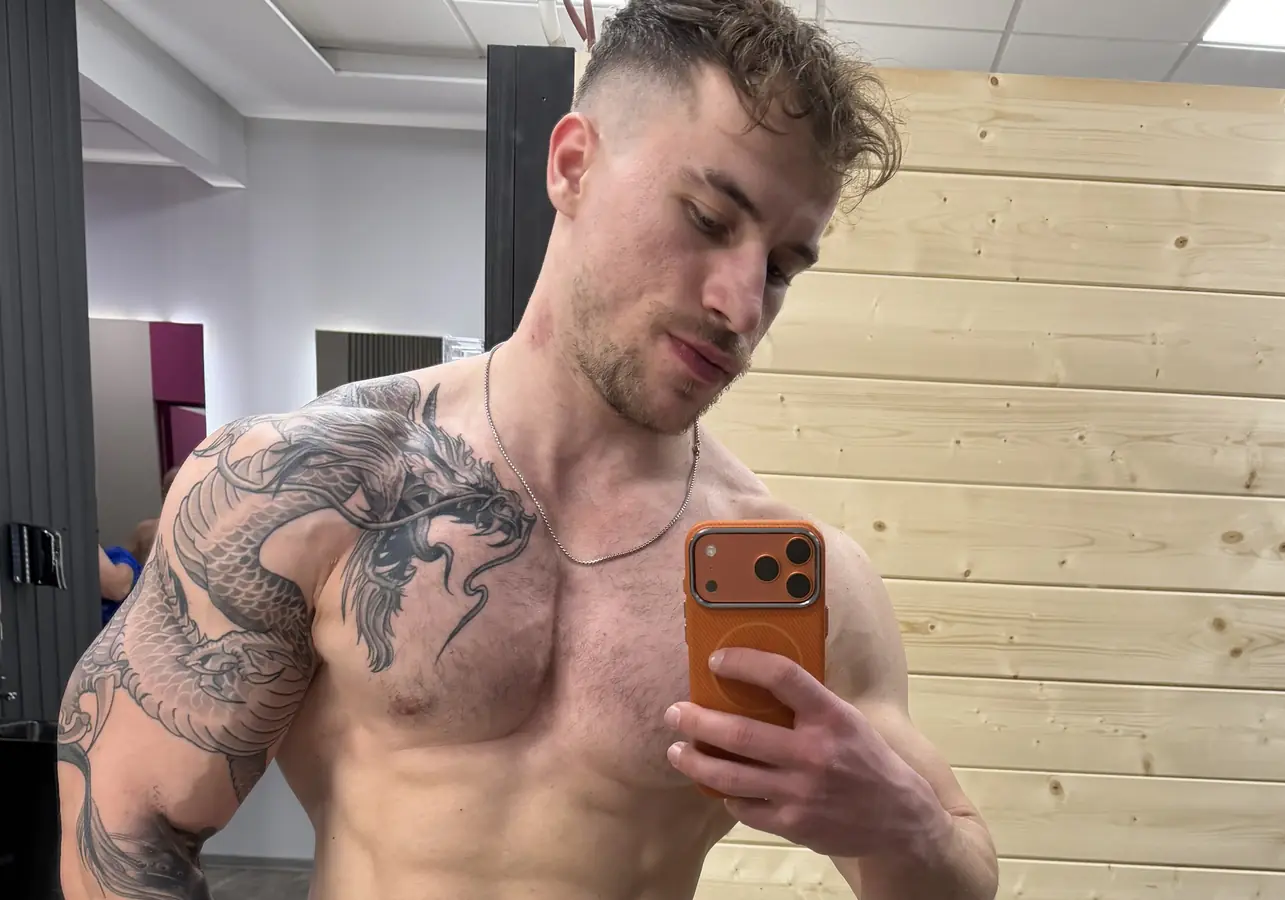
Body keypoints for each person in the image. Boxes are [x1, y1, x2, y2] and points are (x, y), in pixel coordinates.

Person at [54, 2, 1001, 898]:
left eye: (783, 266)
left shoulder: (812, 580)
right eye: (709, 220)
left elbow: (957, 870)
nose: (742, 305)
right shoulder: (312, 488)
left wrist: (902, 826)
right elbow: (128, 826)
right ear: (573, 165)